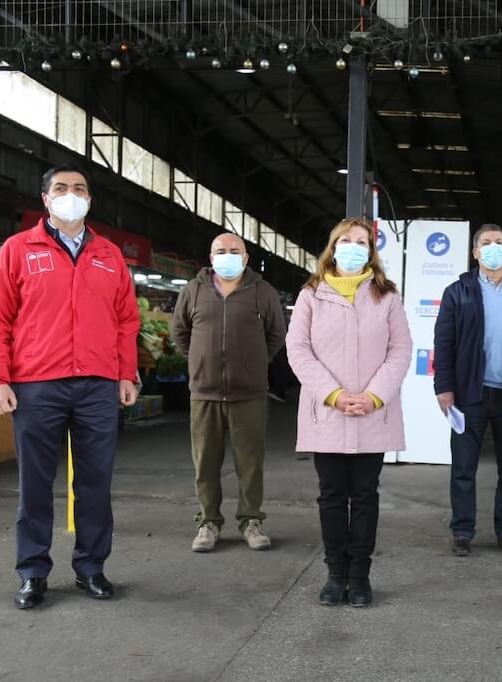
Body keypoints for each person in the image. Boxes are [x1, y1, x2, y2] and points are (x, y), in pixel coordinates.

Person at [0, 164, 140, 609]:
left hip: (97, 385)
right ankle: (32, 572)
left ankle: (91, 568)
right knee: (34, 485)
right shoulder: (17, 250)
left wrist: (126, 372)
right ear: (45, 199)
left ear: (90, 199)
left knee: (95, 483)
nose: (72, 194)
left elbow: (127, 320)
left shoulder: (109, 255)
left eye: (80, 188)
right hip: (36, 386)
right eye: (62, 188)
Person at [286, 218, 412, 608]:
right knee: (331, 496)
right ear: (333, 246)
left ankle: (359, 576)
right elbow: (298, 350)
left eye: (361, 242)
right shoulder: (311, 293)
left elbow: (400, 350)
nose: (353, 247)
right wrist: (334, 394)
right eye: (346, 240)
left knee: (365, 495)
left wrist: (373, 396)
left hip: (372, 413)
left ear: (371, 251)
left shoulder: (387, 296)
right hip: (328, 413)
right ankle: (334, 574)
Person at [170, 233, 286, 553]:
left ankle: (250, 520)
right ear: (211, 257)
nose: (227, 256)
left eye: (234, 251)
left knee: (250, 463)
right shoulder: (193, 290)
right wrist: (199, 362)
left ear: (246, 258)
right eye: (221, 251)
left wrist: (256, 362)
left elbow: (276, 334)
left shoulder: (263, 292)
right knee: (205, 463)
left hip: (249, 393)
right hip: (204, 393)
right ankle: (208, 522)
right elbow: (179, 332)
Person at [434, 224, 502, 557]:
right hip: (469, 393)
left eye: (499, 243)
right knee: (463, 468)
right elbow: (443, 343)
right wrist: (443, 388)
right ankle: (462, 530)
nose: (493, 248)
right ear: (475, 253)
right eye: (485, 243)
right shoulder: (457, 291)